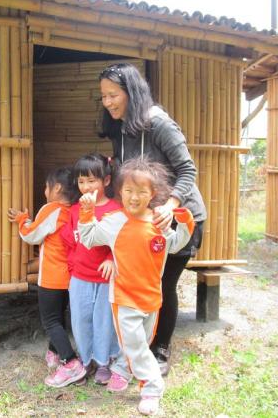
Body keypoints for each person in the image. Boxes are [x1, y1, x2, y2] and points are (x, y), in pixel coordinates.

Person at [98, 63, 207, 375]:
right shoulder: (119, 127)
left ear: (131, 93)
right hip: (142, 219)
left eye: (113, 95)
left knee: (162, 283)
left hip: (177, 217)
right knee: (144, 282)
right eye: (103, 96)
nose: (108, 102)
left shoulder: (159, 124)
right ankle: (139, 348)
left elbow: (187, 169)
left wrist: (171, 205)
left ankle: (160, 349)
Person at [78, 157, 195, 416]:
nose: (134, 197)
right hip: (124, 298)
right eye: (128, 190)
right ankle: (152, 386)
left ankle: (122, 370)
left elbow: (176, 244)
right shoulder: (114, 221)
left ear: (152, 194)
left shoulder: (159, 221)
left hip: (152, 298)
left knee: (140, 344)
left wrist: (184, 219)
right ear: (119, 191)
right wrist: (86, 212)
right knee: (135, 346)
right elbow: (88, 238)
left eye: (141, 191)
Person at [8, 167, 86, 388]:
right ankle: (55, 352)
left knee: (50, 321)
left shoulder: (52, 209)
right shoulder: (75, 211)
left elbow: (31, 234)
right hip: (70, 277)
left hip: (52, 277)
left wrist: (22, 219)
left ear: (57, 188)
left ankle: (70, 363)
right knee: (59, 317)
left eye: (46, 186)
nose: (44, 191)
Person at [60, 153, 121, 385]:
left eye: (92, 181)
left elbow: (123, 242)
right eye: (81, 181)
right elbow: (70, 243)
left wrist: (111, 258)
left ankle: (103, 361)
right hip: (80, 277)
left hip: (106, 278)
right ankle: (86, 360)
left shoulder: (115, 210)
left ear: (106, 180)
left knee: (104, 321)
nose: (86, 187)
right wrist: (72, 268)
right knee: (80, 319)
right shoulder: (75, 211)